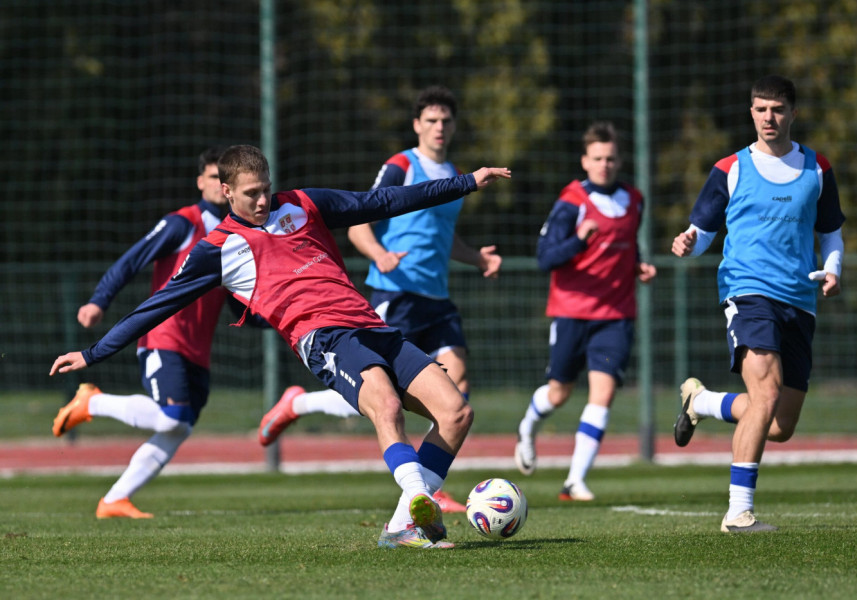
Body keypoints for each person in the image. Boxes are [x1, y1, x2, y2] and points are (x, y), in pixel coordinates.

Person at [50, 144, 511, 549]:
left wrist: (466, 182)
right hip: (324, 337)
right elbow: (157, 305)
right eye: (251, 192)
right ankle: (417, 501)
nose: (263, 199)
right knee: (385, 404)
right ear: (227, 191)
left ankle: (402, 526)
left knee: (456, 412)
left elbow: (384, 200)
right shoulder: (217, 248)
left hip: (371, 325)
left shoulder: (303, 203)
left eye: (266, 188)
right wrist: (93, 353)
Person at [257, 85, 500, 514]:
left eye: (446, 121)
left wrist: (475, 257)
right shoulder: (401, 165)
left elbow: (444, 239)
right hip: (395, 292)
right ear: (416, 125)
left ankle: (425, 488)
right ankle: (299, 403)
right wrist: (380, 254)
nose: (439, 127)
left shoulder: (453, 172)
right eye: (431, 120)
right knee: (378, 393)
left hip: (436, 295)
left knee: (456, 392)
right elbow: (360, 220)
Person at [670, 75, 844, 532]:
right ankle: (738, 512)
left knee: (779, 423)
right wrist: (690, 242)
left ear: (793, 113)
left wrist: (834, 269)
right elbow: (704, 231)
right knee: (765, 393)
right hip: (747, 291)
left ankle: (703, 402)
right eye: (762, 109)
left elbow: (830, 231)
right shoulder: (730, 168)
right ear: (751, 112)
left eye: (778, 109)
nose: (770, 117)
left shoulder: (817, 168)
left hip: (800, 299)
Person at [52, 146, 236, 519]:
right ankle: (92, 402)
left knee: (179, 427)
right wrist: (98, 301)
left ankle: (114, 500)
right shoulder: (182, 224)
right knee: (171, 418)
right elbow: (131, 260)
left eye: (227, 177)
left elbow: (237, 296)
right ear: (201, 182)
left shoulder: (239, 233)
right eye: (214, 176)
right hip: (162, 338)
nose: (220, 184)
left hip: (199, 349)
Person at [512, 121, 656, 501]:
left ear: (619, 160)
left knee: (603, 394)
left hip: (616, 314)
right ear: (584, 161)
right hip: (572, 311)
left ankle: (574, 481)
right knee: (559, 393)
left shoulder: (635, 201)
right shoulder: (571, 202)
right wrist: (578, 239)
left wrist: (640, 265)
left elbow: (629, 247)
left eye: (610, 158)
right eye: (597, 158)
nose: (604, 165)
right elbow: (545, 258)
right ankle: (527, 427)